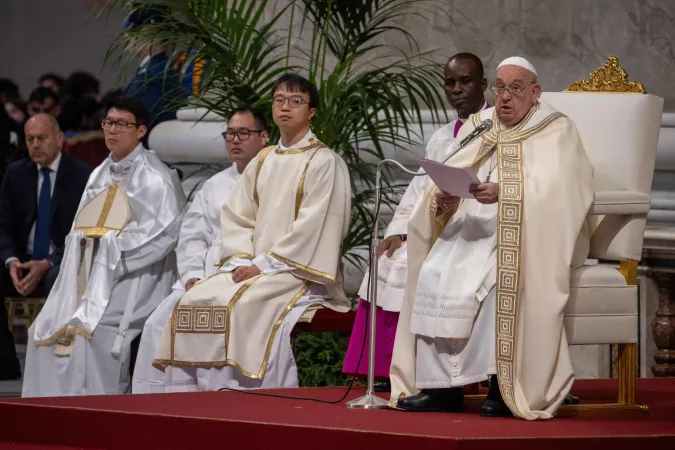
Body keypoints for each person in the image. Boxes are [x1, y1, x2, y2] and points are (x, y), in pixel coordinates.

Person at [390, 57, 594, 420]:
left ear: (535, 92)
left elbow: (568, 189)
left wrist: (507, 192)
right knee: (434, 270)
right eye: (500, 87)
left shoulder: (556, 129)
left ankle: (504, 387)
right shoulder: (480, 126)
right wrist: (444, 198)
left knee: (496, 280)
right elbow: (450, 173)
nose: (505, 97)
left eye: (515, 88)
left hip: (525, 232)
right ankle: (442, 389)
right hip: (470, 227)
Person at [154, 73, 351, 391]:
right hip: (253, 267)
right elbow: (237, 217)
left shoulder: (324, 162)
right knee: (195, 298)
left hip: (297, 271)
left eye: (296, 101)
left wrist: (263, 264)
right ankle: (191, 399)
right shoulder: (263, 159)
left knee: (242, 306)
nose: (285, 107)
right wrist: (240, 260)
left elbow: (314, 227)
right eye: (279, 100)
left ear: (311, 111)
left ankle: (242, 396)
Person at [342, 52, 489, 393]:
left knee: (417, 266)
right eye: (450, 83)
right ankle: (383, 366)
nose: (457, 89)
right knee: (387, 261)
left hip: (471, 225)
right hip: (433, 223)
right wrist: (398, 231)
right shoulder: (441, 137)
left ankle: (431, 372)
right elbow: (418, 188)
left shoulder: (494, 129)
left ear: (482, 84)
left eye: (465, 81)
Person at [22, 95, 186, 397]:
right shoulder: (99, 173)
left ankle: (96, 414)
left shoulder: (156, 177)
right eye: (108, 122)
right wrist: (85, 242)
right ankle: (51, 418)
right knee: (41, 332)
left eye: (122, 124)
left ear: (140, 131)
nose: (112, 130)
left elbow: (162, 237)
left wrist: (108, 247)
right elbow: (78, 227)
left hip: (137, 277)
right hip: (89, 272)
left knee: (91, 334)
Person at [132, 106, 269, 393]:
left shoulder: (275, 182)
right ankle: (161, 406)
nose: (235, 139)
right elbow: (192, 236)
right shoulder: (214, 185)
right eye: (230, 133)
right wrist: (192, 275)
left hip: (248, 277)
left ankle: (221, 396)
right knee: (159, 322)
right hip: (205, 277)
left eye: (244, 133)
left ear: (264, 137)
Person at [0, 114, 91, 380]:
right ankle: (5, 362)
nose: (36, 145)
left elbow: (84, 233)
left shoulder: (83, 175)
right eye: (30, 139)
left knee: (59, 278)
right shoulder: (16, 173)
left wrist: (49, 262)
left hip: (61, 260)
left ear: (59, 139)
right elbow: (3, 225)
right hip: (23, 259)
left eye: (42, 138)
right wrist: (11, 260)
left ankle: (57, 365)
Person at [123, 3, 186, 143]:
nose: (127, 37)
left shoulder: (158, 73)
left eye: (134, 32)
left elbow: (135, 119)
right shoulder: (149, 69)